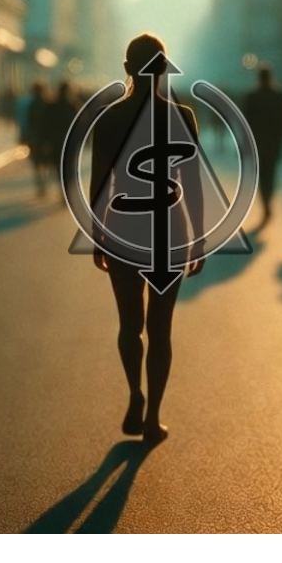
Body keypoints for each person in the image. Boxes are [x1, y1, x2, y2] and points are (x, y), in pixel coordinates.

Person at [90, 33, 205, 446]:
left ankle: (134, 394)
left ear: (127, 70)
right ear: (162, 69)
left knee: (129, 324)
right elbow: (191, 181)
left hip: (123, 226)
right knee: (161, 328)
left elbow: (99, 182)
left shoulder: (108, 118)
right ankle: (154, 417)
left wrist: (98, 234)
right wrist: (198, 237)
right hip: (168, 228)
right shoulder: (183, 117)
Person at [244, 64, 282, 227]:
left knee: (262, 174)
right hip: (273, 141)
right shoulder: (278, 96)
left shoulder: (253, 97)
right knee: (270, 173)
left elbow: (246, 120)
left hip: (258, 141)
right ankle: (268, 201)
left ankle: (266, 203)